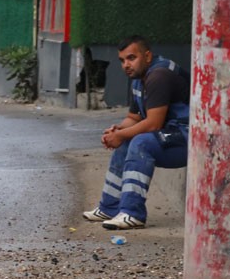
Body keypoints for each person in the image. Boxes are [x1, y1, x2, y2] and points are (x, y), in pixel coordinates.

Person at [81, 36, 191, 230]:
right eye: (122, 60)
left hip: (190, 137)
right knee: (126, 140)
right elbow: (134, 118)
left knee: (140, 142)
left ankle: (133, 213)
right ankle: (109, 207)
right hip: (171, 134)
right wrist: (117, 131)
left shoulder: (159, 76)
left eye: (131, 58)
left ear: (147, 56)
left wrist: (123, 135)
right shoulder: (139, 79)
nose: (126, 65)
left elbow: (153, 124)